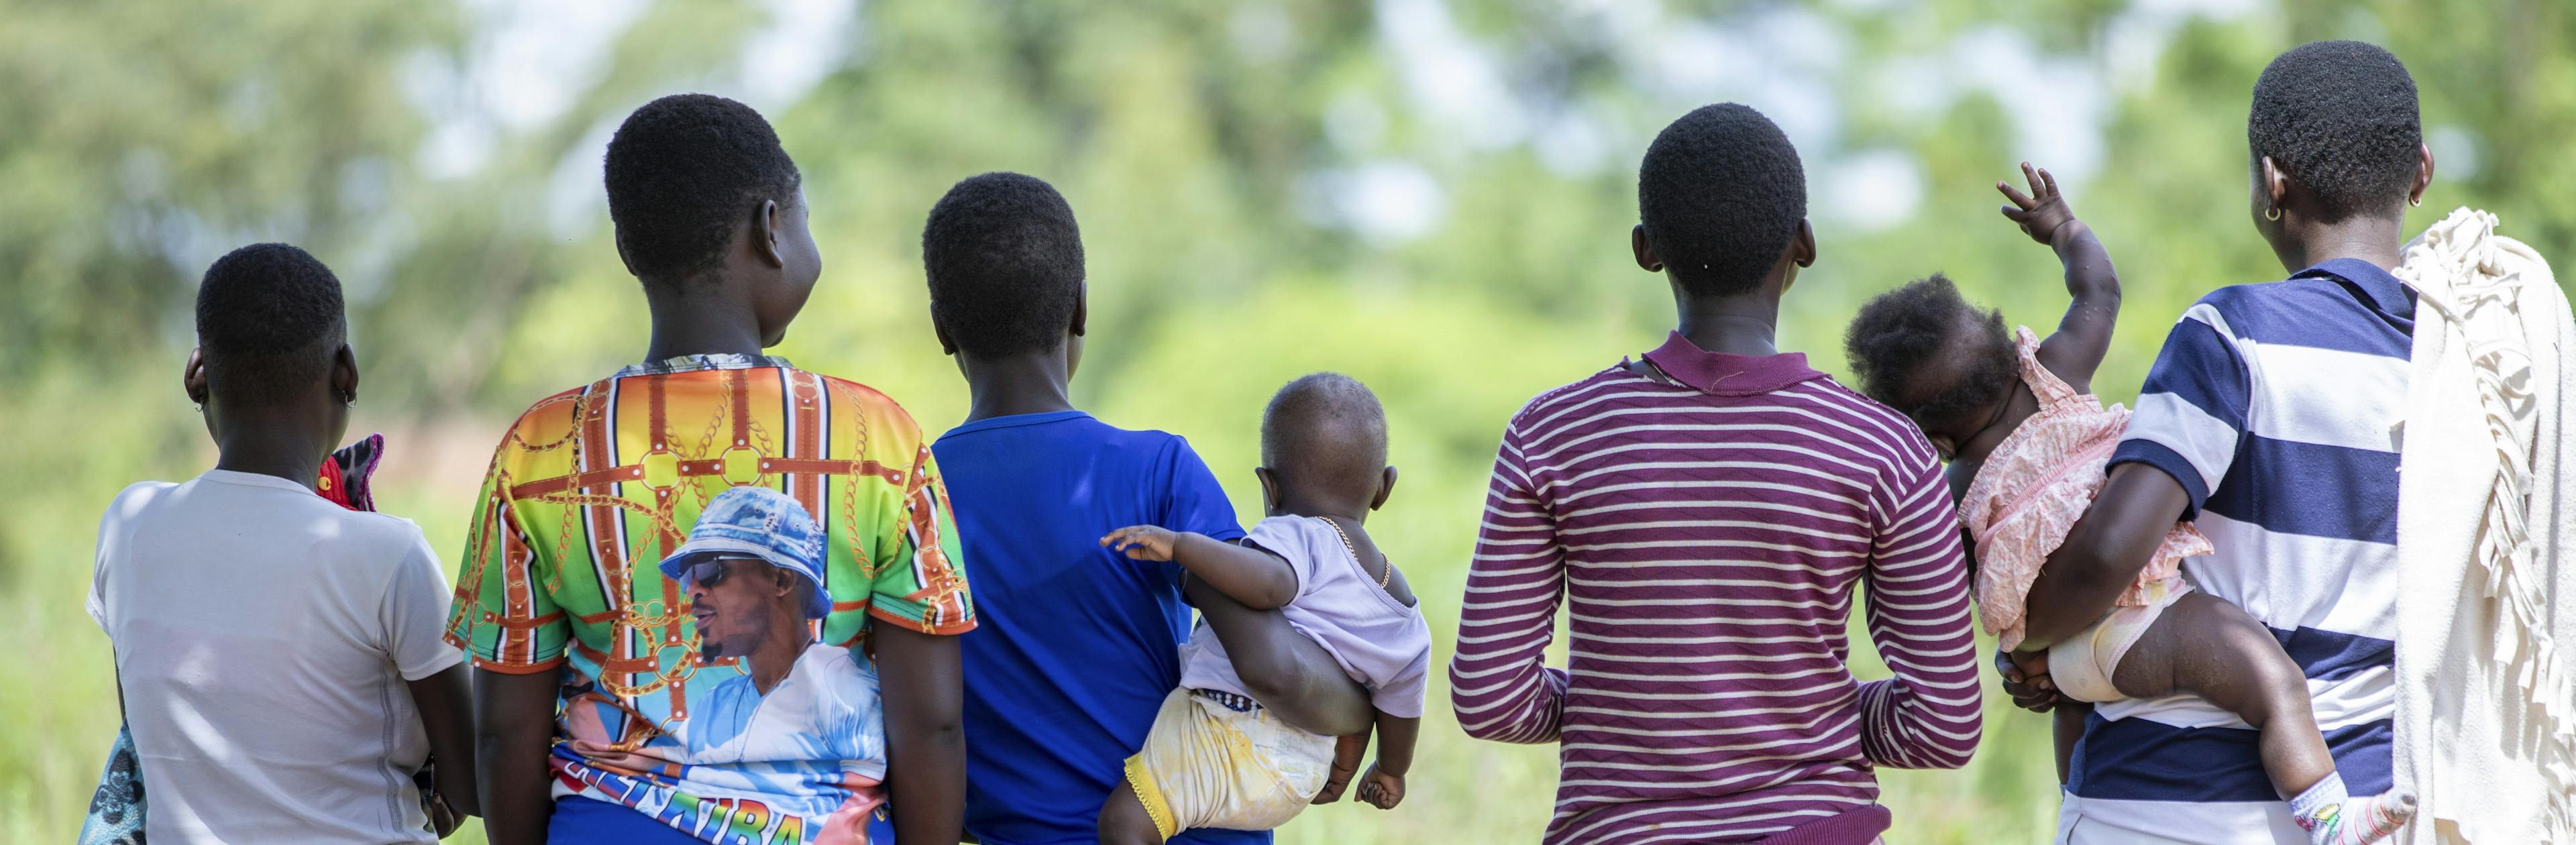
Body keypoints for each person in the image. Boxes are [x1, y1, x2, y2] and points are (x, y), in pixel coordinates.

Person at [1447, 103, 1984, 844]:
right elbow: (1945, 727)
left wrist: (1626, 711)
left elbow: (1488, 698)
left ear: (1646, 249)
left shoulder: (1552, 435)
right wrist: (1815, 710)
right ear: (1803, 242)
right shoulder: (1884, 449)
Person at [447, 93, 972, 845]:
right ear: (771, 228)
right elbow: (934, 725)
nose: (694, 592)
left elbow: (503, 734)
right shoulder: (877, 440)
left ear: (629, 254)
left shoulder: (541, 450)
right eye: (805, 218)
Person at [1843, 164, 2415, 845]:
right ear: (2007, 348)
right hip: (2145, 620)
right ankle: (2329, 818)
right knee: (2273, 683)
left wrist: (2019, 655)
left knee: (2077, 718)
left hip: (2077, 658)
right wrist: (2064, 229)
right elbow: (2099, 291)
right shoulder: (2051, 374)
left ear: (1932, 438)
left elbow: (1968, 593)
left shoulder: (1955, 488)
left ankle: (2074, 813)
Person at [1990, 41, 2438, 844]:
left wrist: (2035, 638)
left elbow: (2105, 556)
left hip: (2165, 808)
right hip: (2369, 805)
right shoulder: (2458, 362)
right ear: (2420, 173)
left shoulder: (2233, 333)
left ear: (2272, 181)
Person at [920, 171, 1373, 845]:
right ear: (1080, 308)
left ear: (941, 328)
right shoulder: (1157, 471)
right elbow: (1271, 666)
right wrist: (1358, 708)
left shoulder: (914, 492)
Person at [89, 242, 478, 842]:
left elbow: (148, 736)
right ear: (345, 372)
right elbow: (471, 779)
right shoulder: (386, 554)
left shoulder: (129, 524)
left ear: (197, 376)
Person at [1095, 373, 1432, 843]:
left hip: (1229, 735)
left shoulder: (1302, 535)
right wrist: (1388, 770)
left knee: (1123, 825)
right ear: (1384, 487)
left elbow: (1269, 585)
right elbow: (1401, 702)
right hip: (1299, 778)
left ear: (1269, 488)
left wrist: (1182, 547)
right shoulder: (1404, 612)